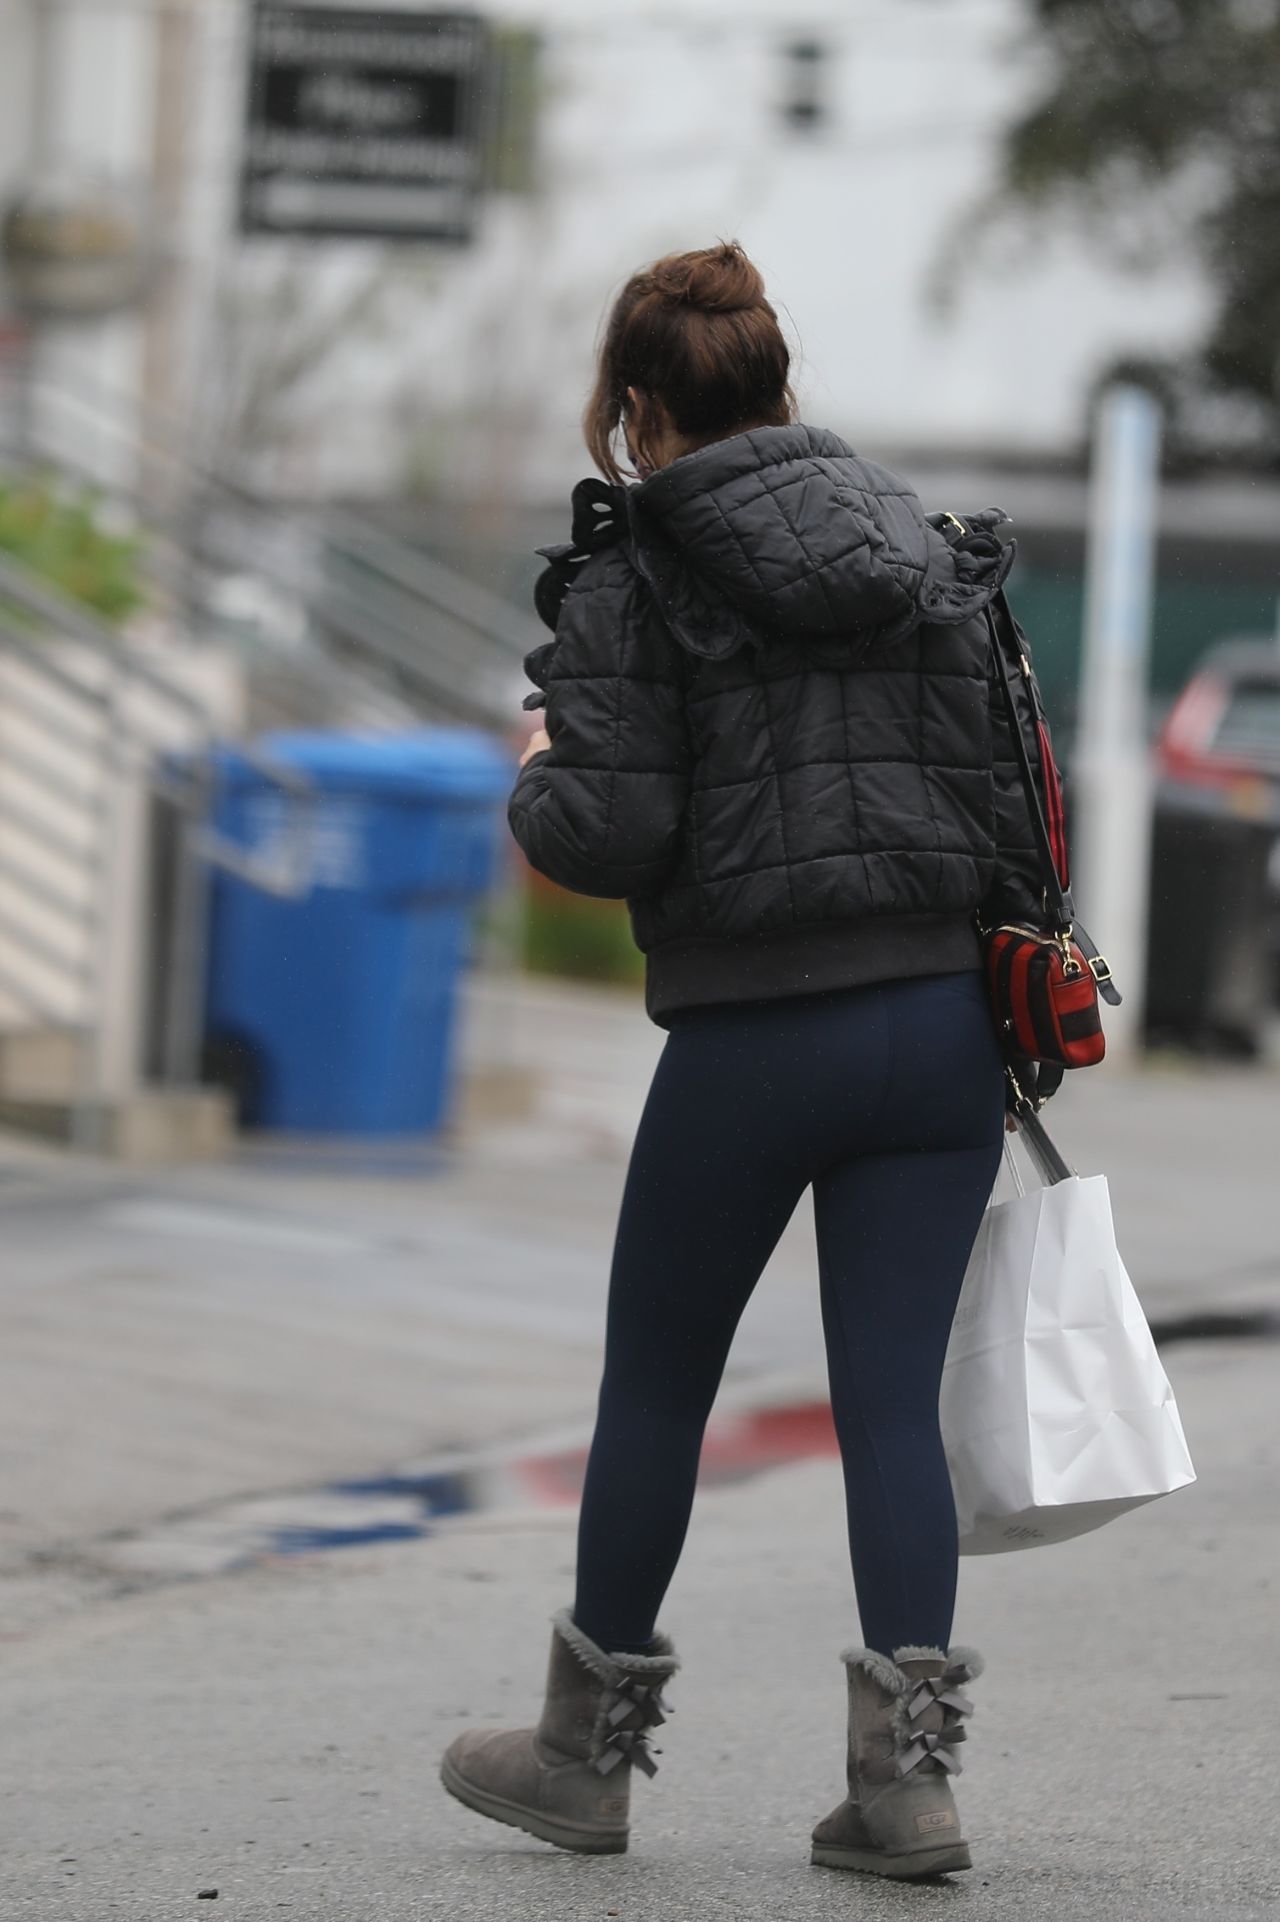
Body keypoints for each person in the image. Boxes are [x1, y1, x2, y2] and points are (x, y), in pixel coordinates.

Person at [440, 241, 1048, 1881]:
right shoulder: (921, 546)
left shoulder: (638, 579)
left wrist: (541, 766)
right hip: (936, 1029)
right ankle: (909, 1788)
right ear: (779, 385)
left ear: (641, 409)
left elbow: (612, 826)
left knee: (658, 1386)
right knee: (889, 1407)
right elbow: (1005, 797)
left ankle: (583, 1758)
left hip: (753, 1037)